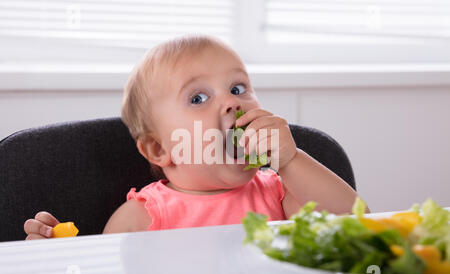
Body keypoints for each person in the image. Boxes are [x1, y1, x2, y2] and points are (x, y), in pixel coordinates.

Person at [24, 35, 369, 240]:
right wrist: (59, 257)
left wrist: (290, 161)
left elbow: (360, 227)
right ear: (160, 149)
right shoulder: (142, 218)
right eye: (198, 98)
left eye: (237, 88)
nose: (232, 102)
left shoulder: (280, 194)